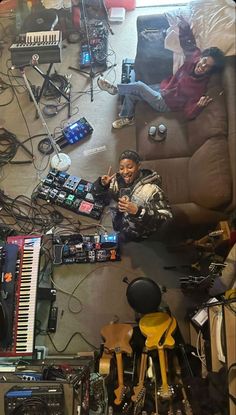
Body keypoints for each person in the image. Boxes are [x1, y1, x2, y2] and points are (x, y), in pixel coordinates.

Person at [97, 17, 225, 129]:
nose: (202, 66)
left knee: (139, 86)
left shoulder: (199, 88)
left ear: (210, 71)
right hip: (164, 87)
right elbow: (188, 44)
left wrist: (198, 106)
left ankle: (115, 90)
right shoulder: (194, 58)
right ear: (201, 57)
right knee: (131, 93)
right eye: (204, 61)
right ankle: (128, 117)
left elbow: (188, 113)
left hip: (166, 103)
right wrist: (184, 26)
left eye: (207, 67)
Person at [92, 149, 173, 241]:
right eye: (121, 168)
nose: (125, 172)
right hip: (119, 226)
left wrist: (138, 212)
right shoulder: (116, 182)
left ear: (138, 166)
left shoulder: (151, 190)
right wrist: (102, 185)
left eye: (130, 167)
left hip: (139, 234)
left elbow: (166, 218)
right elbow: (99, 200)